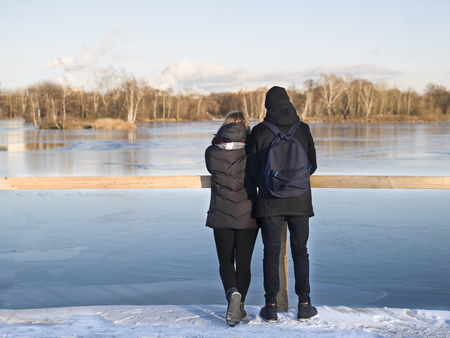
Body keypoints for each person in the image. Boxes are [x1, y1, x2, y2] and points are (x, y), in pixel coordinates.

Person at [248, 86, 318, 322]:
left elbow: (252, 171)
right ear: (289, 102)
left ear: (267, 105)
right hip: (300, 200)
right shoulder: (303, 129)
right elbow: (313, 166)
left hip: (270, 202)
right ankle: (305, 305)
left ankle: (270, 306)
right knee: (300, 252)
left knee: (271, 253)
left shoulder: (259, 131)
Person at [205, 111, 258, 327]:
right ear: (245, 127)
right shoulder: (252, 150)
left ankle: (232, 293)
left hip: (222, 212)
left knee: (226, 261)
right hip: (248, 213)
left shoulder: (211, 151)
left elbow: (211, 169)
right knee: (244, 263)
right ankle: (239, 308)